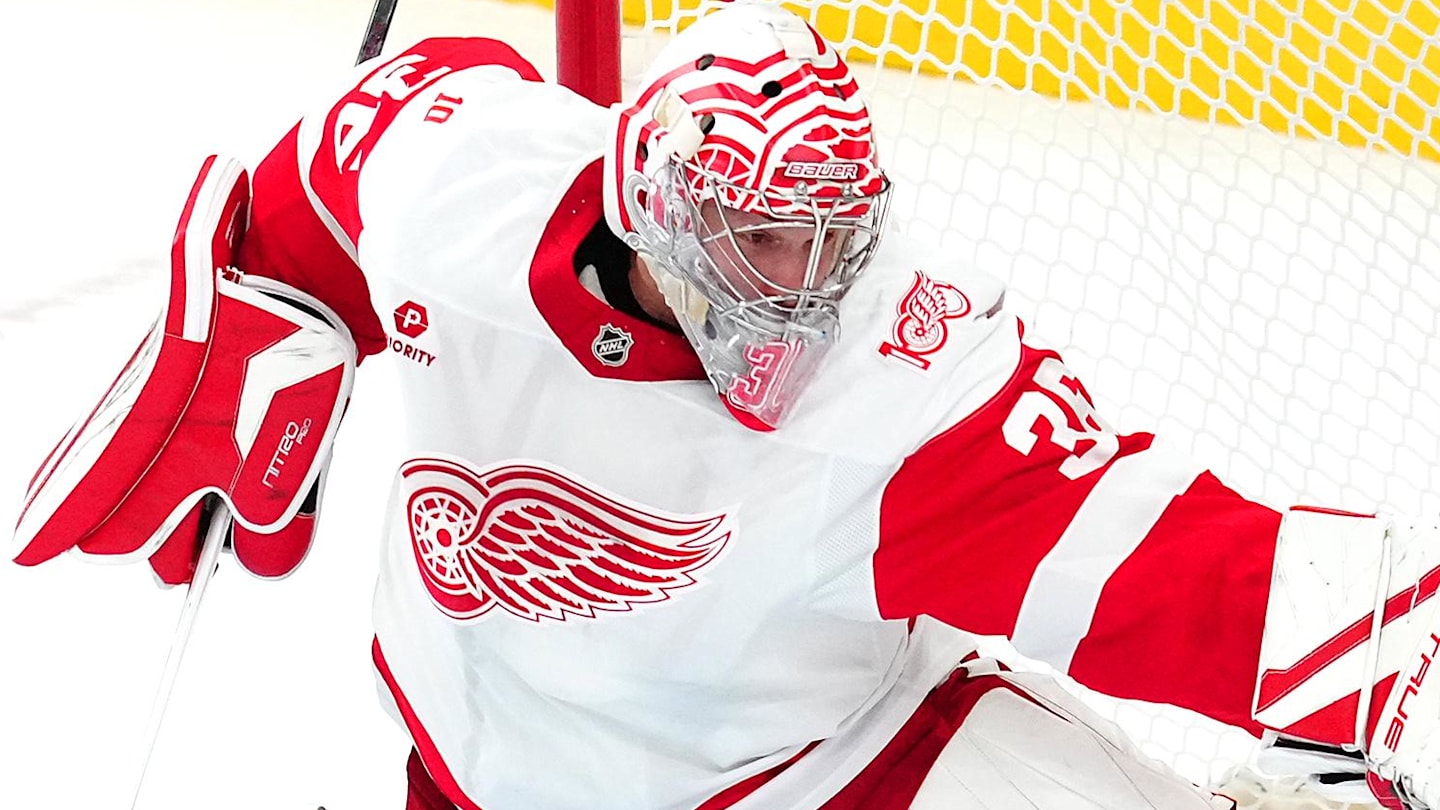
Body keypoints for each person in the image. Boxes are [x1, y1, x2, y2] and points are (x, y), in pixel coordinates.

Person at [11, 2, 1440, 808]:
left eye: (834, 233)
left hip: (800, 774)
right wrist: (275, 305)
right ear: (654, 200)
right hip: (478, 759)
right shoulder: (470, 175)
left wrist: (1396, 648)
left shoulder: (909, 385)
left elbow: (1163, 556)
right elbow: (323, 180)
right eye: (767, 238)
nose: (808, 284)